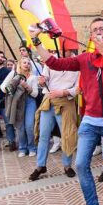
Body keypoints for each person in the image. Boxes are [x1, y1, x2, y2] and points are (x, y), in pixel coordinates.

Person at [30, 17, 103, 205]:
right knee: (81, 163)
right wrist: (35, 40)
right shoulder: (84, 59)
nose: (97, 32)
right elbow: (54, 63)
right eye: (94, 29)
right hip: (89, 120)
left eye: (102, 29)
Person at [30, 50, 78, 181]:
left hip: (66, 102)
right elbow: (44, 78)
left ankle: (67, 166)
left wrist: (63, 92)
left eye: (68, 48)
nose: (64, 50)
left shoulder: (78, 63)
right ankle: (40, 166)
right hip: (49, 101)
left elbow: (79, 88)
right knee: (43, 135)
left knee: (67, 135)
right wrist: (42, 80)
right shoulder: (51, 60)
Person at [1, 57, 39, 157]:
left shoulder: (33, 77)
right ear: (20, 64)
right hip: (17, 102)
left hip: (30, 102)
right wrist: (11, 88)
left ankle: (32, 147)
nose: (26, 64)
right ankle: (22, 148)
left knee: (29, 126)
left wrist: (26, 86)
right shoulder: (13, 74)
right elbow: (3, 87)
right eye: (24, 62)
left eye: (28, 63)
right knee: (20, 127)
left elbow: (35, 94)